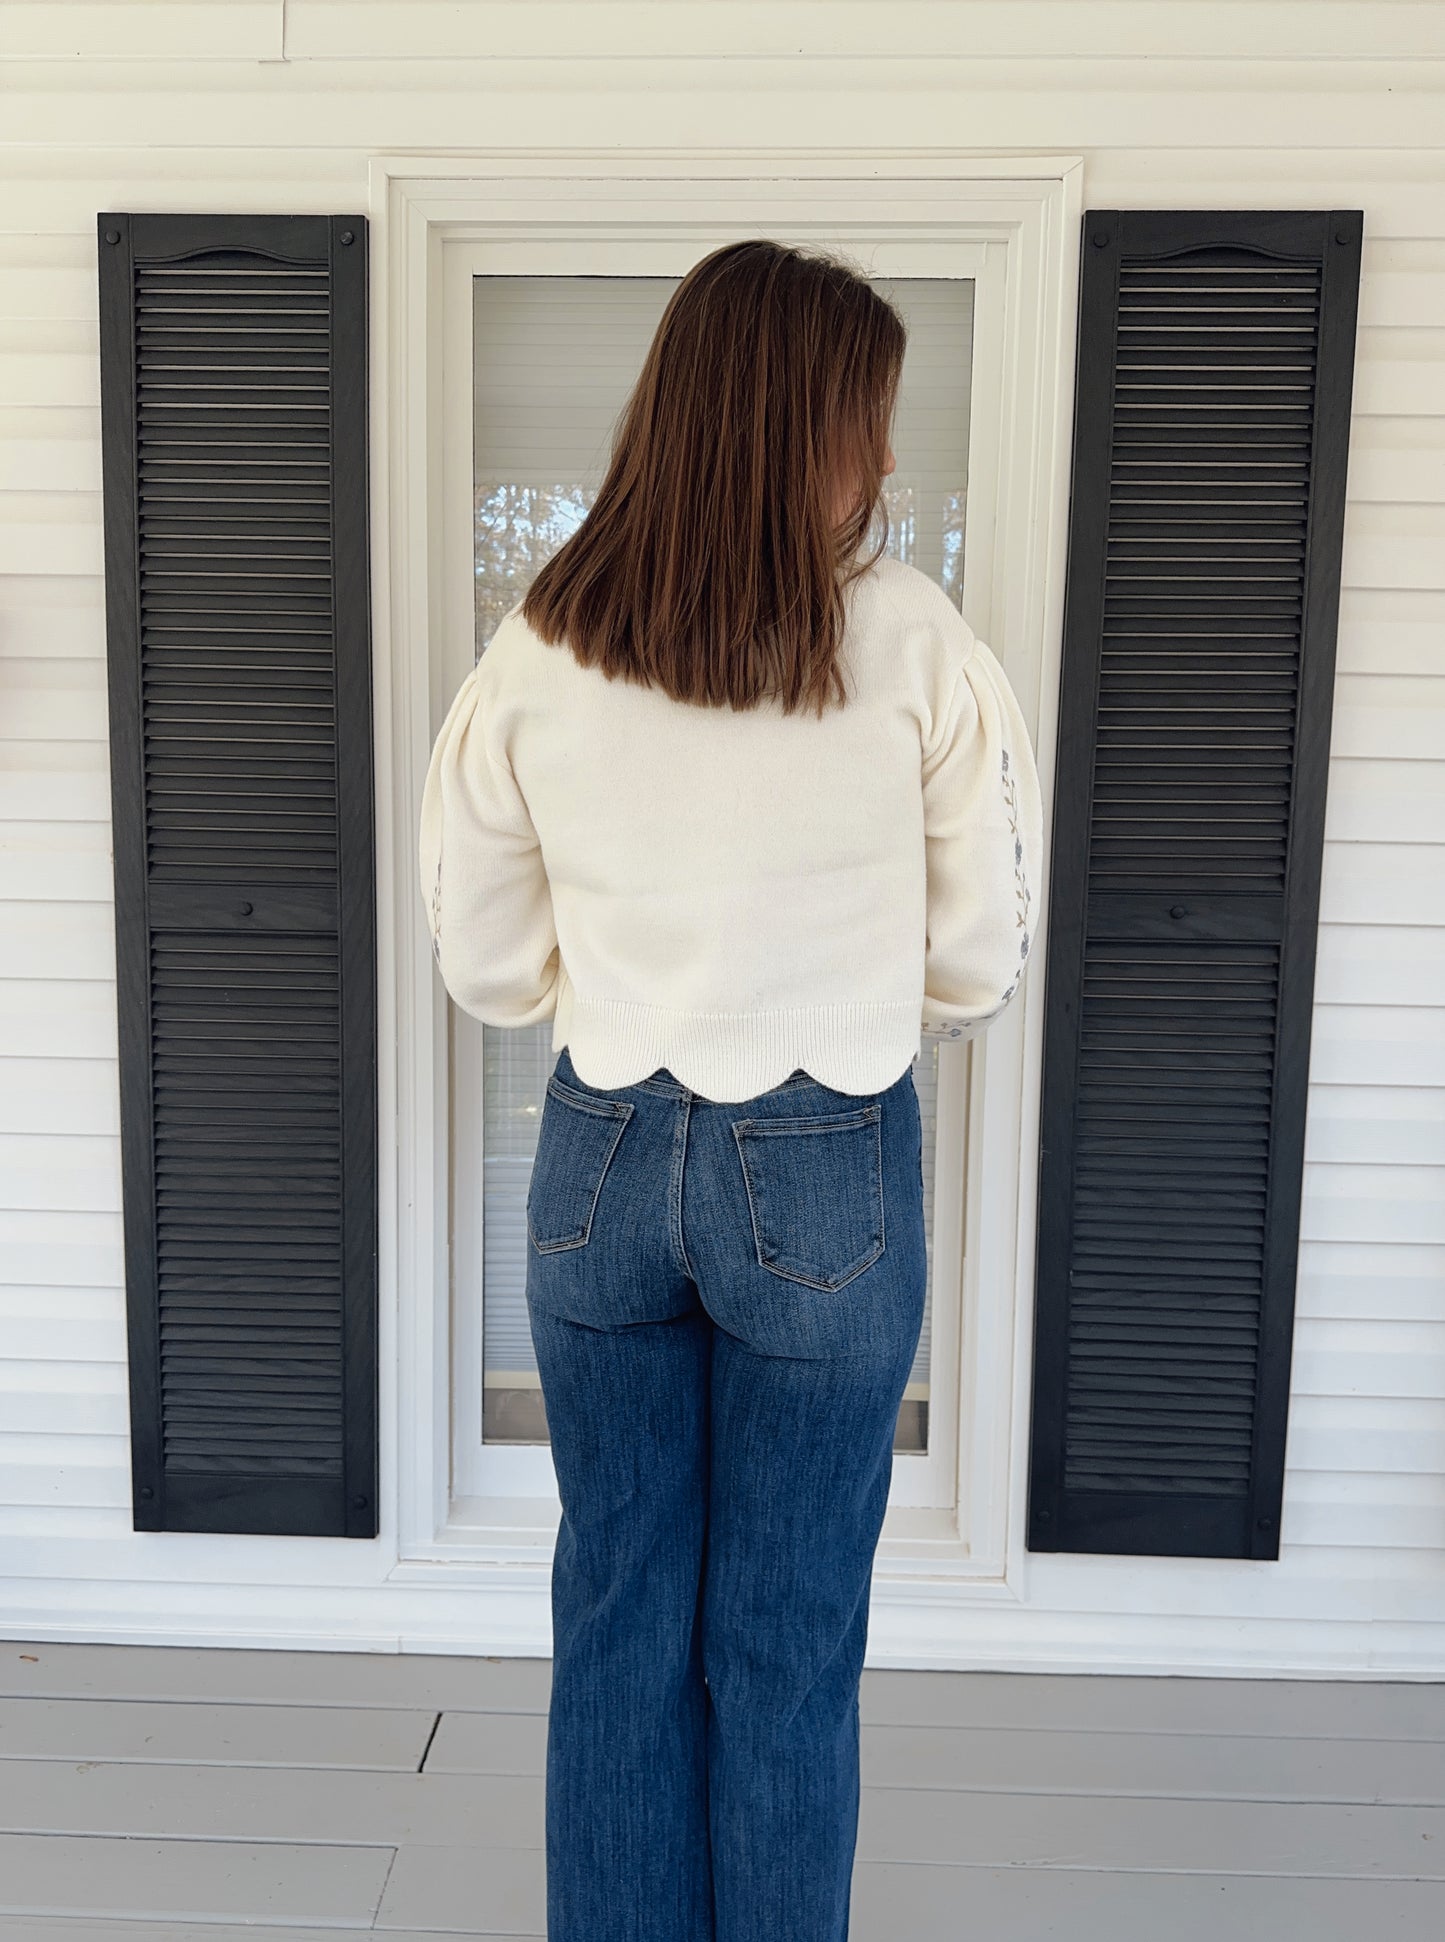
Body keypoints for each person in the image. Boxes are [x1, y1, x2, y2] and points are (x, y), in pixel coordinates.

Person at [419, 237, 1044, 1942]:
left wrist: (619, 993)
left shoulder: (545, 637)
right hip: (823, 1153)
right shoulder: (913, 642)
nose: (890, 465)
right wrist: (837, 1002)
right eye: (872, 422)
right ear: (799, 422)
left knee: (620, 1609)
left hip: (600, 1152)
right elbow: (981, 953)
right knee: (783, 1633)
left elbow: (478, 956)